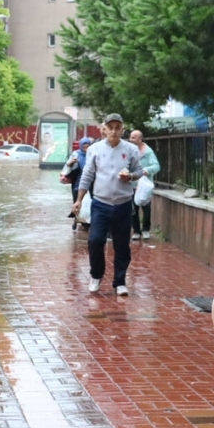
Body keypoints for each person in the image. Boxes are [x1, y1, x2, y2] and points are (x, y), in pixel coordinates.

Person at [72, 113, 144, 296]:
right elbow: (87, 175)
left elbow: (138, 170)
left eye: (117, 127)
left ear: (122, 129)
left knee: (122, 244)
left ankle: (119, 281)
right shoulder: (95, 149)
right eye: (110, 127)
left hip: (123, 203)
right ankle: (96, 275)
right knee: (95, 240)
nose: (113, 131)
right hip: (100, 203)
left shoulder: (130, 149)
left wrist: (131, 176)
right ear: (103, 129)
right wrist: (79, 200)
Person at [128, 130, 160, 240]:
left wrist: (147, 170)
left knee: (146, 208)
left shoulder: (148, 152)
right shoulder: (129, 150)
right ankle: (136, 231)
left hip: (145, 186)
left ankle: (146, 229)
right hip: (132, 184)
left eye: (133, 138)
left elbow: (156, 166)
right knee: (133, 209)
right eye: (130, 137)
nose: (131, 140)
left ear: (140, 139)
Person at [64, 137, 91, 229]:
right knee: (77, 202)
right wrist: (71, 162)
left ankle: (85, 222)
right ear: (80, 146)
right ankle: (76, 219)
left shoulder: (92, 155)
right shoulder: (76, 154)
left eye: (88, 147)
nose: (86, 149)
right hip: (77, 183)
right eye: (84, 147)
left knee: (87, 203)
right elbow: (67, 165)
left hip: (88, 183)